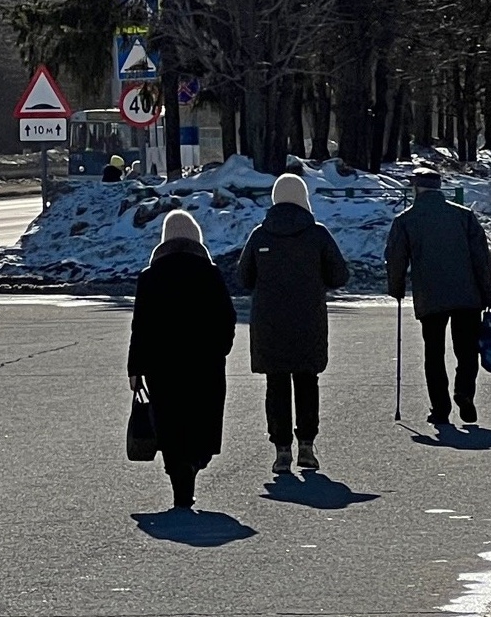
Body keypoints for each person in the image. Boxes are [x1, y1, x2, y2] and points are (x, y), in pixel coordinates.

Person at [238, 173, 350, 475]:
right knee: (306, 381)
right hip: (308, 320)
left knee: (275, 384)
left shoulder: (260, 235)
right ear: (303, 198)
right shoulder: (317, 234)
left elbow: (243, 278)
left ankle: (281, 449)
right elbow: (340, 275)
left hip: (269, 323)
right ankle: (307, 446)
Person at [128, 210, 236, 508]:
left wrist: (135, 368)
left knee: (169, 421)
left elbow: (141, 326)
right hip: (205, 362)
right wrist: (220, 348)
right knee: (202, 415)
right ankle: (194, 463)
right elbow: (227, 317)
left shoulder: (150, 277)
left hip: (162, 365)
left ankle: (180, 483)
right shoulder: (209, 273)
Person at [386, 170, 491, 428]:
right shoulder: (463, 216)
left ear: (416, 188)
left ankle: (440, 409)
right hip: (467, 295)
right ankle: (464, 393)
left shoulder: (406, 220)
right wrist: (487, 292)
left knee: (434, 352)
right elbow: (482, 258)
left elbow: (396, 258)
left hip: (430, 296)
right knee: (467, 350)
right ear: (439, 188)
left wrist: (397, 287)